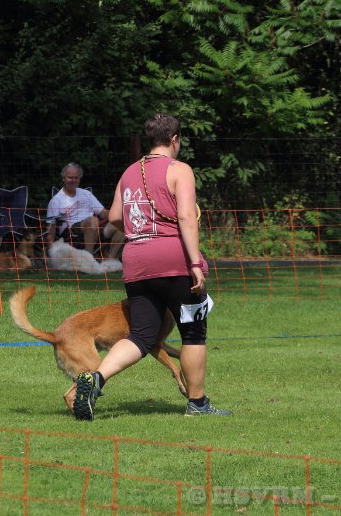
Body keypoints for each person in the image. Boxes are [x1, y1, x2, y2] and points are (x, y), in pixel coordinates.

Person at [72, 113, 231, 420]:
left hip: (136, 261)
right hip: (173, 259)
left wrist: (141, 228)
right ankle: (198, 404)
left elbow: (115, 217)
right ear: (175, 140)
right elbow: (186, 217)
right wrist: (195, 263)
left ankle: (96, 378)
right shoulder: (180, 170)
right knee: (193, 332)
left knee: (142, 336)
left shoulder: (130, 171)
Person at [45, 162, 125, 260]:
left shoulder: (86, 194)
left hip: (96, 226)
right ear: (64, 178)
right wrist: (50, 248)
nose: (73, 180)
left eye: (76, 177)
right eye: (70, 177)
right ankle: (89, 258)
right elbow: (51, 226)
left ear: (79, 179)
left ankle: (111, 259)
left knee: (122, 223)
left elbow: (103, 213)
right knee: (91, 220)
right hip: (73, 230)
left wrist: (118, 213)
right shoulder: (56, 200)